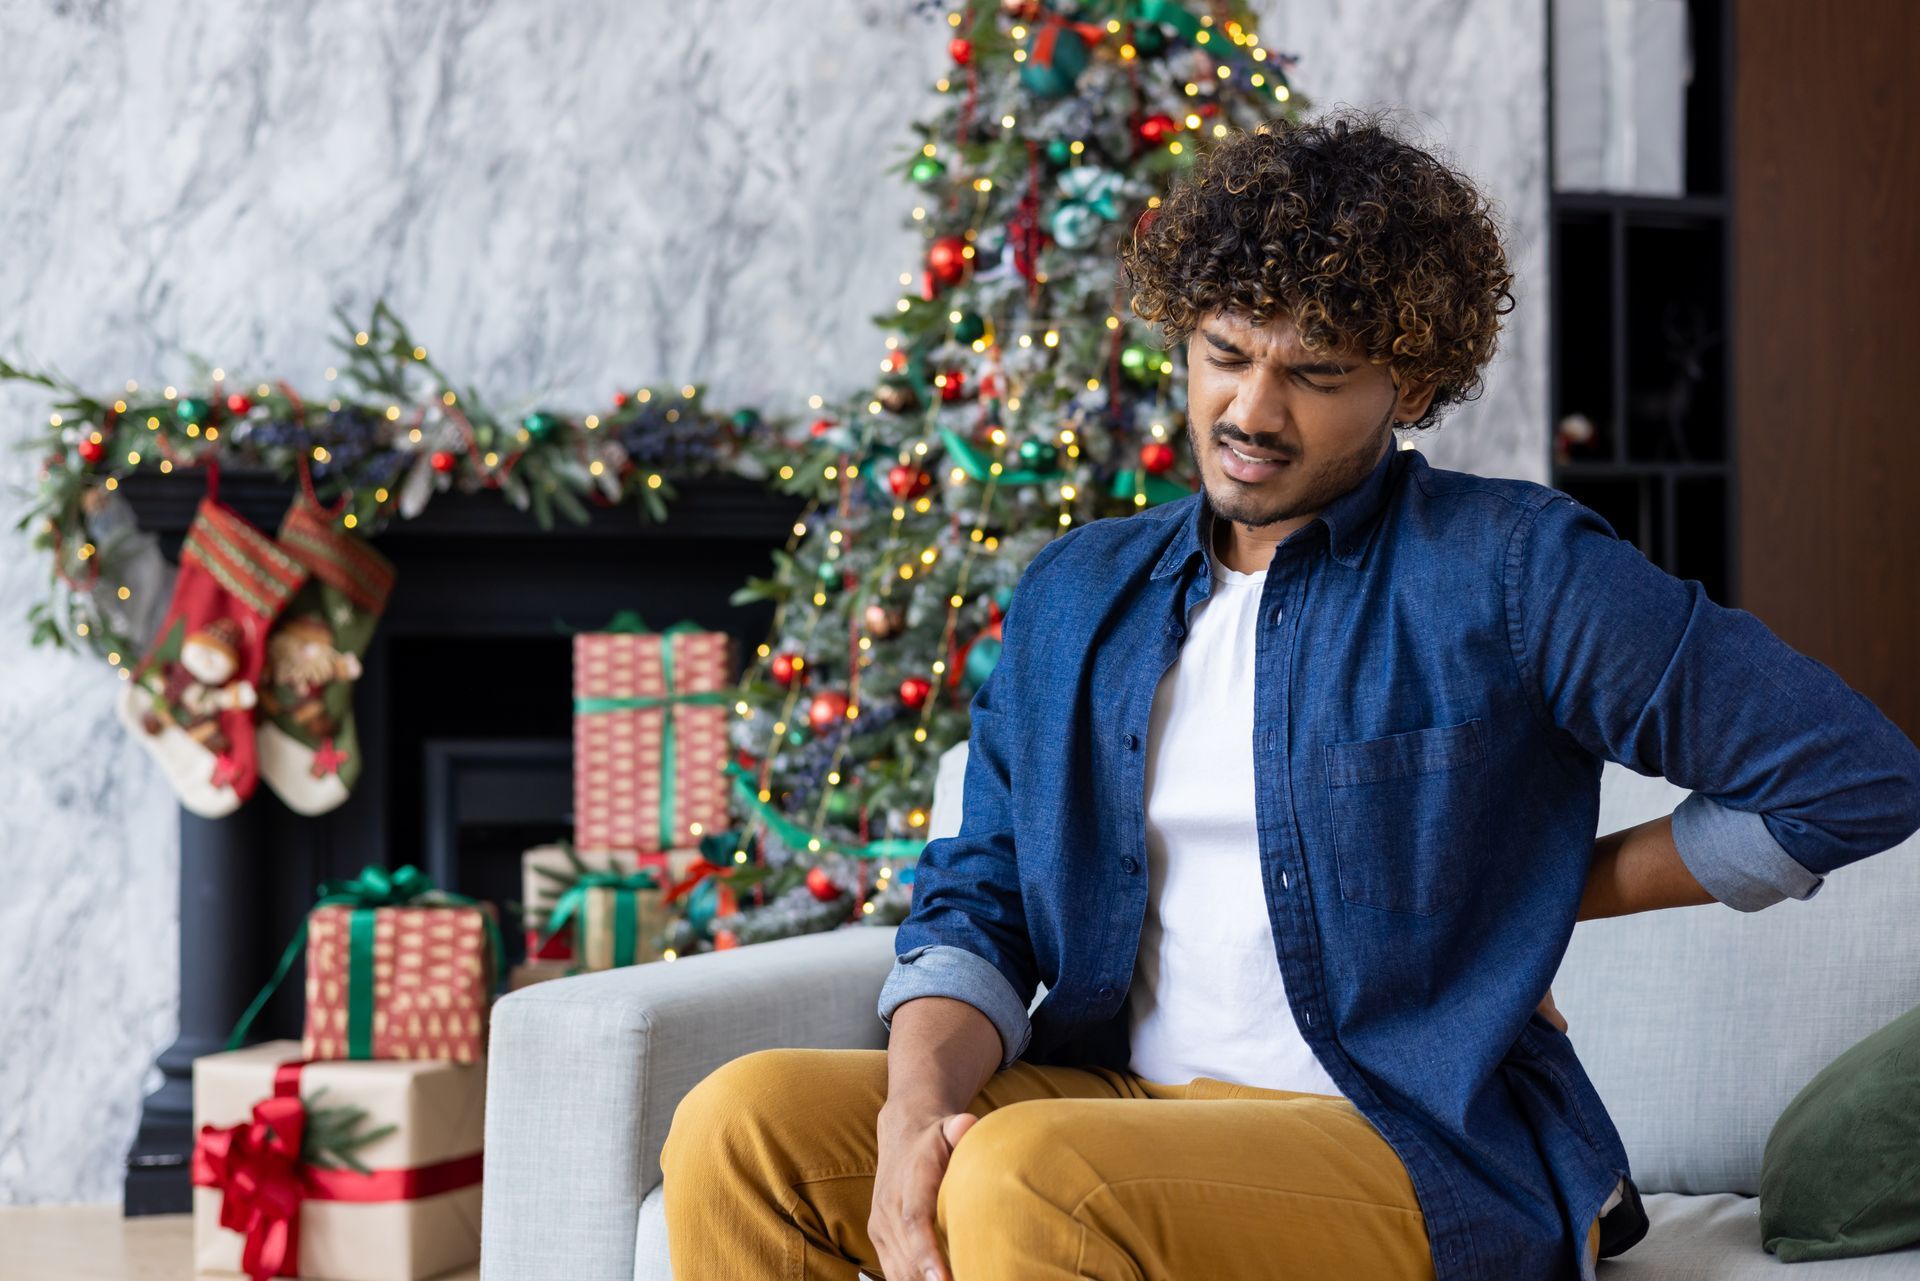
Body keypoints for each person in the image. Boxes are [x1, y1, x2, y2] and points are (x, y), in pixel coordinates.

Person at [660, 108, 1920, 1281]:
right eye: (1225, 355)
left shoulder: (1514, 570)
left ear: (1410, 385)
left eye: (1315, 373)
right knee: (741, 1126)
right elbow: (979, 899)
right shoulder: (1076, 593)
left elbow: (1850, 776)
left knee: (1034, 1184)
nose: (1251, 411)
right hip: (1113, 1098)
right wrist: (919, 1105)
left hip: (1405, 1134)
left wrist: (1528, 906)